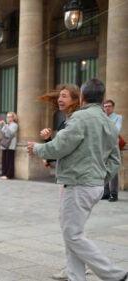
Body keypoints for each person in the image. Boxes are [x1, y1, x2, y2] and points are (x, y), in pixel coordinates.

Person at [28, 79, 128, 281]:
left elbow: (60, 147)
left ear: (81, 97)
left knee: (73, 235)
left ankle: (114, 275)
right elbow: (116, 159)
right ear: (101, 99)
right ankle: (76, 277)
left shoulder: (80, 118)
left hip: (78, 184)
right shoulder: (108, 122)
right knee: (73, 233)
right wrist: (100, 177)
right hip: (93, 185)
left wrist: (37, 148)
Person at [39, 84, 90, 281]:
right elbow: (61, 149)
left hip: (75, 178)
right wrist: (48, 142)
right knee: (69, 223)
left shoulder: (76, 121)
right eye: (59, 96)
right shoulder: (65, 121)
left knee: (70, 224)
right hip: (66, 176)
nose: (60, 99)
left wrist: (43, 149)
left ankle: (78, 266)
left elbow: (70, 150)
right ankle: (76, 265)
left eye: (64, 96)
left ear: (75, 99)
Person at [102, 99, 122, 202]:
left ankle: (114, 194)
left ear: (113, 107)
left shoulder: (118, 117)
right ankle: (106, 193)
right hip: (102, 147)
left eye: (109, 106)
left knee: (113, 170)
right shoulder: (100, 118)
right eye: (105, 106)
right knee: (103, 169)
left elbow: (117, 130)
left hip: (113, 147)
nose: (107, 108)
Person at [0, 112, 18, 179]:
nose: (8, 118)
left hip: (11, 145)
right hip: (4, 145)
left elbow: (10, 134)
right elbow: (1, 132)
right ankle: (4, 173)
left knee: (9, 161)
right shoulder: (7, 125)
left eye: (10, 117)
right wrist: (0, 125)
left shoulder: (15, 125)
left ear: (13, 118)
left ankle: (9, 175)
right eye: (7, 117)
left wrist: (5, 125)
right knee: (4, 160)